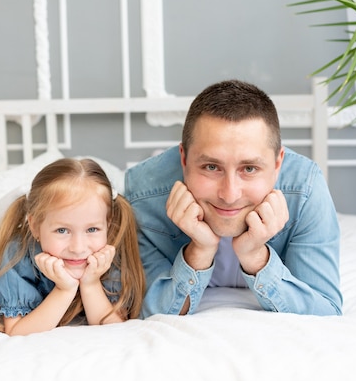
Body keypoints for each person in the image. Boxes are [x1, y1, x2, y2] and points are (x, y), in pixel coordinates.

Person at [125, 80, 342, 318]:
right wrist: (199, 252)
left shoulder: (305, 188)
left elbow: (326, 311)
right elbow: (147, 311)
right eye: (211, 167)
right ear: (184, 159)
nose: (229, 195)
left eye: (249, 169)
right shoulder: (142, 194)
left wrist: (256, 257)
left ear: (278, 163)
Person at [0, 158, 145, 335]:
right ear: (35, 226)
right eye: (62, 230)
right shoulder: (15, 257)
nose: (78, 247)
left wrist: (90, 284)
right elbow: (17, 330)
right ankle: (13, 199)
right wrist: (64, 290)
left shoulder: (105, 254)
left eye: (92, 229)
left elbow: (114, 327)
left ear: (107, 225)